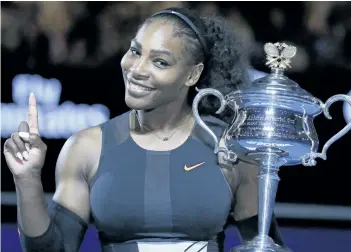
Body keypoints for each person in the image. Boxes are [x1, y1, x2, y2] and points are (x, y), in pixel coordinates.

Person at [4, 7, 286, 252]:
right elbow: (52, 250)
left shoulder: (230, 149)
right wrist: (27, 180)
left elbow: (266, 244)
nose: (137, 69)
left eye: (160, 62)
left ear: (193, 74)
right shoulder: (86, 148)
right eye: (135, 51)